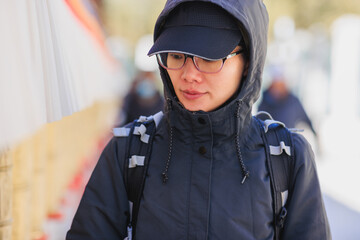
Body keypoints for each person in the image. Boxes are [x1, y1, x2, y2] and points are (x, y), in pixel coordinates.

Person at [67, 1, 331, 239]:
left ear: (249, 62)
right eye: (177, 56)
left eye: (208, 57)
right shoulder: (128, 153)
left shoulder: (287, 157)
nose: (189, 75)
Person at [258, 66, 317, 135]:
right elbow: (259, 123)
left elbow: (306, 120)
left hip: (288, 141)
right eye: (276, 84)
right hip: (268, 142)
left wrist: (315, 135)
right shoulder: (265, 102)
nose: (278, 88)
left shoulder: (293, 102)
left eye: (280, 84)